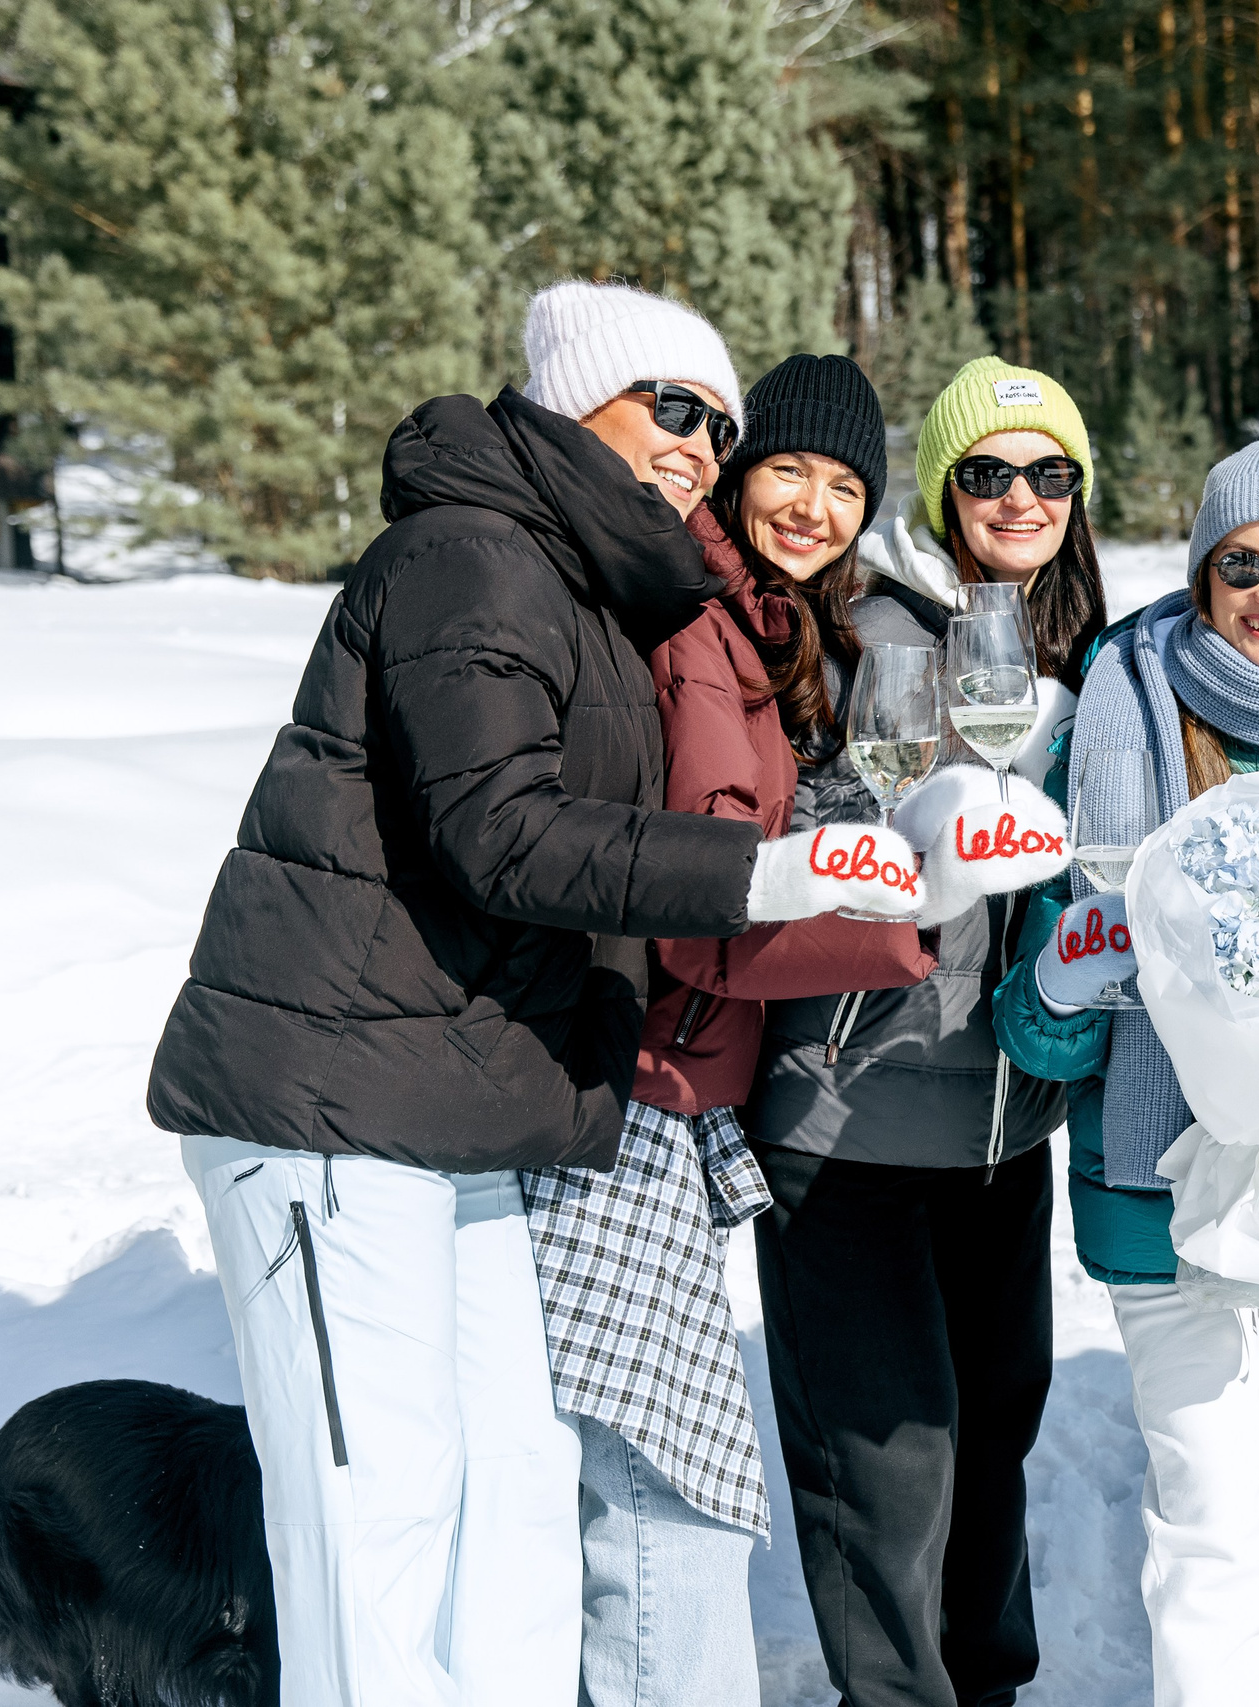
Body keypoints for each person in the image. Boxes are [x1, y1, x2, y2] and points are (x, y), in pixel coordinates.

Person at [145, 280, 878, 1707]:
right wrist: (768, 872)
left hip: (463, 1106)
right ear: (567, 400)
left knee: (522, 1496)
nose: (697, 445)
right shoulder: (472, 552)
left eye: (716, 424)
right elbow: (502, 828)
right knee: (385, 1509)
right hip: (326, 1103)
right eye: (671, 406)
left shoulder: (594, 587)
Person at [522, 351, 937, 1707]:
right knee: (666, 1490)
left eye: (843, 484)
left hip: (684, 1086)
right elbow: (700, 902)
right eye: (789, 470)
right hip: (629, 1084)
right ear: (743, 471)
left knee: (646, 1481)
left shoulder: (760, 618)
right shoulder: (693, 616)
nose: (814, 503)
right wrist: (913, 904)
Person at [991, 440, 1259, 1707]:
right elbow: (1034, 1027)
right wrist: (1071, 980)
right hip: (1158, 1191)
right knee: (1212, 1525)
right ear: (1202, 572)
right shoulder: (1117, 713)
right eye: (1242, 563)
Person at [747, 355, 1099, 1707]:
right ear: (943, 486)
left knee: (993, 1434)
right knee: (882, 1463)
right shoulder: (853, 621)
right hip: (851, 1105)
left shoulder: (1072, 641)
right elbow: (785, 822)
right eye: (988, 471)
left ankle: (985, 1688)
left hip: (1005, 1115)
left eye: (1049, 472)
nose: (1020, 495)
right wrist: (901, 841)